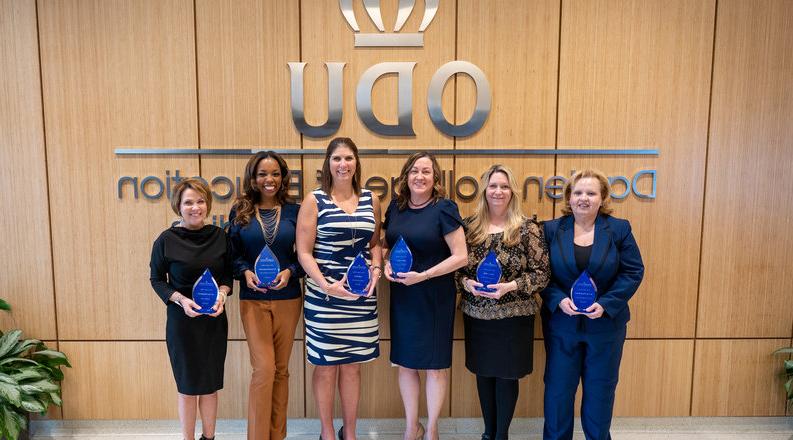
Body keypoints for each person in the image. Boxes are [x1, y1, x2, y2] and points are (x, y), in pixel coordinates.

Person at [541, 169, 644, 440]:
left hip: (606, 326)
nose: (583, 198)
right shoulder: (551, 230)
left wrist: (607, 303)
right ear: (568, 197)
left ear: (602, 198)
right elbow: (541, 275)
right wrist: (558, 299)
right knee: (558, 391)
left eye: (590, 193)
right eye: (577, 192)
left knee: (600, 391)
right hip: (562, 325)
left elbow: (633, 271)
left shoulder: (619, 229)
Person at [296, 137, 383, 440]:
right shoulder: (314, 200)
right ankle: (327, 432)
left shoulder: (371, 199)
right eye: (337, 159)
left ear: (356, 162)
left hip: (360, 297)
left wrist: (376, 269)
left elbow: (374, 245)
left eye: (348, 158)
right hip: (324, 297)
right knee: (326, 367)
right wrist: (326, 286)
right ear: (328, 164)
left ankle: (352, 432)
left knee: (352, 367)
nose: (343, 165)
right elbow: (304, 252)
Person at [456, 165, 550, 440]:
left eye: (504, 186)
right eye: (493, 186)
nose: (498, 191)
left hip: (514, 319)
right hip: (477, 316)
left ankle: (502, 435)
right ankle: (488, 433)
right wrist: (466, 283)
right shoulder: (469, 228)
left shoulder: (528, 229)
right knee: (483, 374)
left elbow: (542, 274)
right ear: (484, 190)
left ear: (513, 192)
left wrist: (510, 286)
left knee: (507, 376)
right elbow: (457, 270)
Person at [382, 152, 468, 440]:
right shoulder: (396, 207)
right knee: (405, 363)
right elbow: (385, 243)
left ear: (436, 178)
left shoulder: (444, 208)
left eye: (426, 172)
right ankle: (411, 427)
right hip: (403, 298)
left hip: (434, 297)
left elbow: (461, 257)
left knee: (434, 366)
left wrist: (425, 275)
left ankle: (431, 429)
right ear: (406, 176)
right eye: (415, 171)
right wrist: (385, 264)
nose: (420, 176)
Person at [227, 151, 304, 440]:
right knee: (264, 369)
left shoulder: (296, 212)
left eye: (274, 173)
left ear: (283, 177)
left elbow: (308, 255)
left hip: (289, 298)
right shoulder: (241, 211)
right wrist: (245, 271)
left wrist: (291, 272)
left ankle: (277, 435)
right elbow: (231, 255)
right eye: (262, 174)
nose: (269, 179)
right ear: (253, 178)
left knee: (281, 370)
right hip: (252, 298)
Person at [149, 178, 232, 440]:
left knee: (209, 387)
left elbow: (228, 276)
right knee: (187, 387)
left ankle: (209, 437)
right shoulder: (166, 240)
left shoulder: (221, 236)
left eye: (200, 201)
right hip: (182, 322)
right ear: (178, 206)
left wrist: (222, 294)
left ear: (207, 204)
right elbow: (156, 279)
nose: (195, 207)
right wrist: (181, 300)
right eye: (188, 202)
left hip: (213, 321)